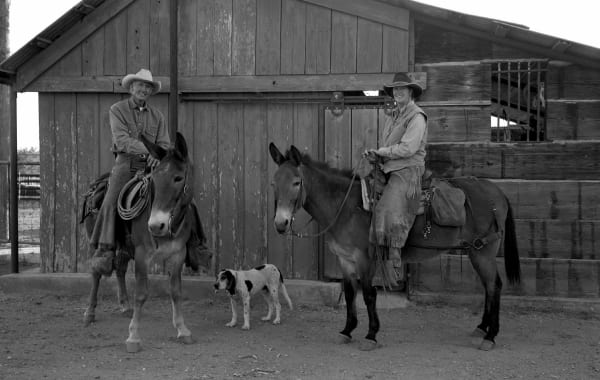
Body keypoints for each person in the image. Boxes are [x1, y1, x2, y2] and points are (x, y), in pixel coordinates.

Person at [89, 68, 170, 276]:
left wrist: (158, 154)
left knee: (178, 191)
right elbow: (122, 141)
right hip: (126, 162)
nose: (144, 89)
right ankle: (104, 249)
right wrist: (151, 150)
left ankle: (194, 244)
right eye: (140, 85)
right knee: (110, 199)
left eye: (147, 87)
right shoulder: (117, 110)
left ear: (151, 92)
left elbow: (164, 143)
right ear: (132, 88)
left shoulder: (158, 116)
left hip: (153, 164)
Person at [363, 72, 428, 286]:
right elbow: (388, 148)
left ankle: (394, 263)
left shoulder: (417, 116)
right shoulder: (393, 118)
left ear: (411, 92)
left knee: (385, 208)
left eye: (402, 89)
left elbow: (409, 148)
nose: (398, 92)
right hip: (390, 168)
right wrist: (376, 155)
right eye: (395, 89)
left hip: (408, 171)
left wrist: (383, 151)